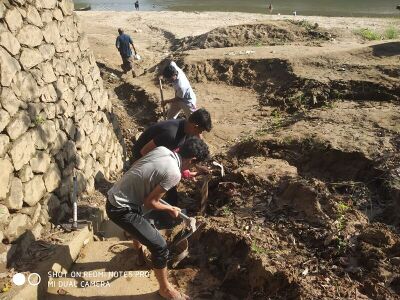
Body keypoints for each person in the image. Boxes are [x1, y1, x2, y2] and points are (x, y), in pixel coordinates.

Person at [106, 137, 209, 300]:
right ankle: (165, 289)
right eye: (194, 164)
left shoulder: (163, 150)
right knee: (160, 247)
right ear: (193, 159)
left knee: (140, 222)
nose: (193, 167)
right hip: (121, 209)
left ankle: (140, 257)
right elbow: (151, 202)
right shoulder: (174, 173)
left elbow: (136, 167)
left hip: (116, 195)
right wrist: (170, 208)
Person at [132, 108, 212, 206]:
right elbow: (144, 151)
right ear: (195, 126)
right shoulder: (171, 134)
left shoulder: (186, 128)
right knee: (168, 182)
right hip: (142, 157)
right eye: (201, 131)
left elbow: (186, 155)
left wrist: (198, 167)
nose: (200, 135)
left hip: (160, 155)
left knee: (171, 180)